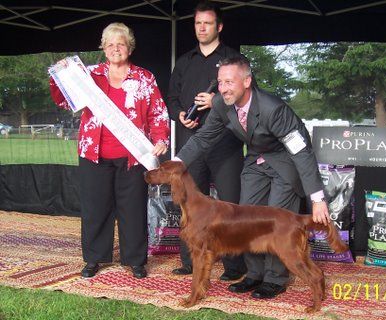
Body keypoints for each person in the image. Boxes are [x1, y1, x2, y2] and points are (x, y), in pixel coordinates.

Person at [175, 56, 331, 299]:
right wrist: (177, 162)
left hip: (285, 158)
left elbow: (301, 152)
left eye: (229, 82)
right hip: (257, 157)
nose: (223, 88)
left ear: (247, 81)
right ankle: (254, 273)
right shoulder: (222, 105)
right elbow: (203, 138)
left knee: (276, 218)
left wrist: (318, 198)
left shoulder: (274, 109)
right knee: (245, 215)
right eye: (220, 82)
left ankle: (274, 279)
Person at [50, 22, 170, 279]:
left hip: (132, 156)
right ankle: (94, 258)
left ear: (130, 47)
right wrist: (58, 76)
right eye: (111, 44)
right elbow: (62, 99)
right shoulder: (88, 74)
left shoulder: (145, 78)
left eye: (122, 44)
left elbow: (158, 112)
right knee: (96, 208)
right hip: (94, 154)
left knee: (134, 208)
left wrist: (161, 138)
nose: (116, 48)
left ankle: (135, 260)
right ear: (103, 47)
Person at [166, 1, 246, 281]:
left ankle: (235, 266)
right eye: (198, 23)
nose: (201, 28)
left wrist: (216, 102)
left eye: (207, 23)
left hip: (226, 146)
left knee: (230, 206)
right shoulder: (184, 62)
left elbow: (247, 98)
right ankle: (190, 261)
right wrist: (178, 115)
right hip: (192, 144)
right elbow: (172, 98)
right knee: (189, 204)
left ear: (219, 27)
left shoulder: (233, 60)